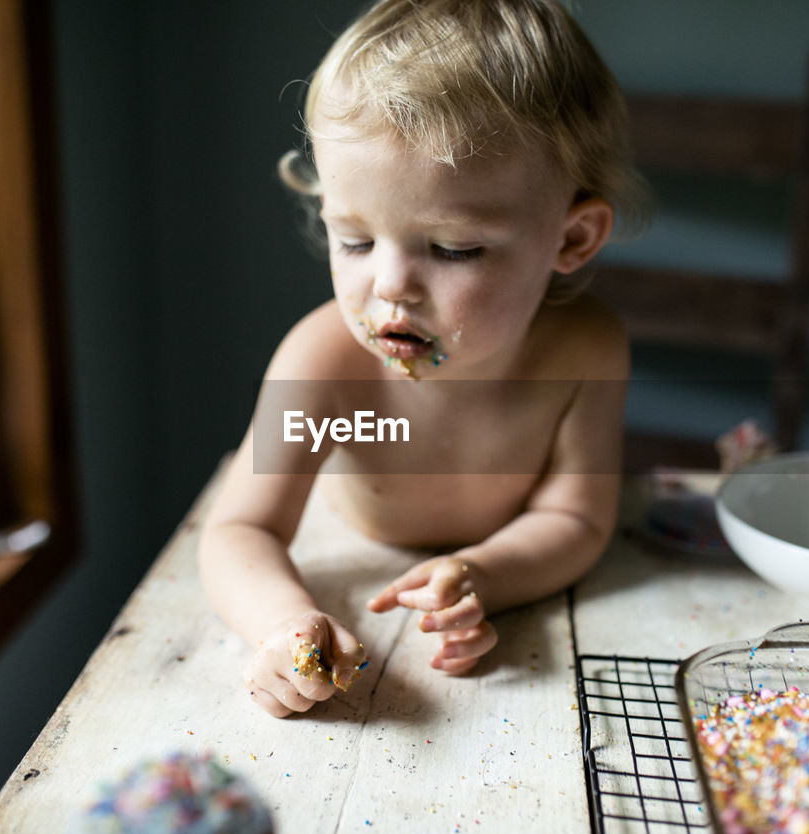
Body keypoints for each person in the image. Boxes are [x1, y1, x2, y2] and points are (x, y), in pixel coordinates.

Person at [198, 0, 646, 718]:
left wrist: (484, 574)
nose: (390, 284)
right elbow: (238, 530)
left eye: (454, 249)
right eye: (353, 239)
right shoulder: (325, 365)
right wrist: (279, 623)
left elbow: (577, 519)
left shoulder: (585, 352)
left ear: (571, 238)